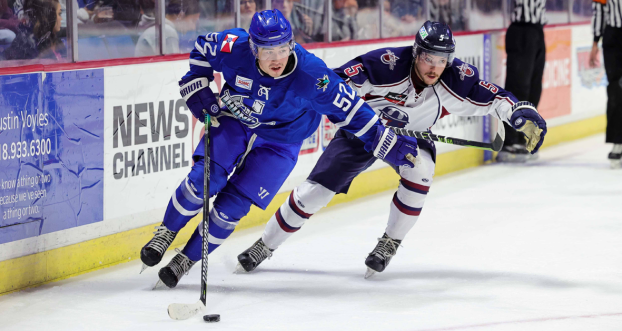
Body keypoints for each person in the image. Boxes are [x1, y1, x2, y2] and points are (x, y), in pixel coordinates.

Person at [236, 21, 548, 278]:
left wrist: (520, 111)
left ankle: (390, 241)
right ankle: (265, 244)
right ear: (416, 53)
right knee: (313, 193)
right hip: (363, 133)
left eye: (442, 59)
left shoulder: (456, 78)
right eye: (429, 58)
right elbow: (332, 85)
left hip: (410, 138)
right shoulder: (384, 64)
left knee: (422, 172)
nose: (435, 67)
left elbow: (495, 98)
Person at [139, 9, 418, 288]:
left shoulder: (313, 76)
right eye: (267, 50)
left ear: (291, 43)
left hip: (282, 139)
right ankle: (166, 232)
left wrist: (384, 139)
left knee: (231, 208)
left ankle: (186, 259)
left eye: (283, 48)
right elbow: (201, 48)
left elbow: (353, 112)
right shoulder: (233, 46)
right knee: (203, 179)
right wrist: (196, 81)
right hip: (238, 118)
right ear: (252, 47)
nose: (277, 58)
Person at [496, 0, 546, 162]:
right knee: (518, 86)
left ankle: (522, 136)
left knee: (534, 88)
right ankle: (509, 140)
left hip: (537, 30)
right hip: (521, 30)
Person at [590, 0, 622, 168]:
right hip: (614, 36)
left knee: (620, 87)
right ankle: (618, 141)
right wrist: (595, 41)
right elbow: (599, 9)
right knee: (617, 89)